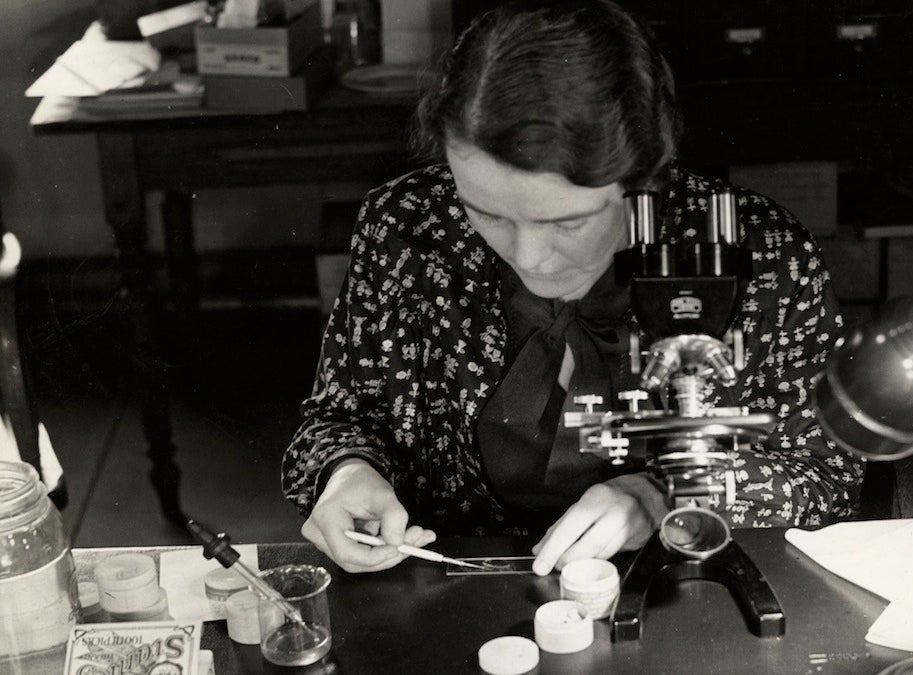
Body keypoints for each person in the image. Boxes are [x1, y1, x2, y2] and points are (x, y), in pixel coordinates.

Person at [282, 0, 863, 576]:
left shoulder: (760, 259)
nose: (529, 258)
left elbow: (823, 477)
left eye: (567, 223)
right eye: (485, 213)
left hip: (677, 585)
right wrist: (347, 471)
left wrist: (664, 495)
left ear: (644, 177)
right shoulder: (407, 225)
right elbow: (342, 416)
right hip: (454, 583)